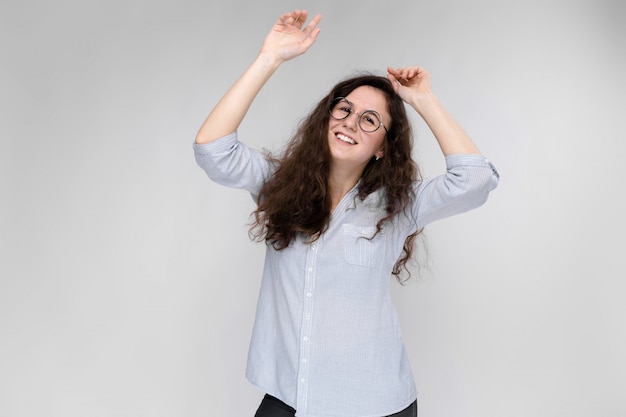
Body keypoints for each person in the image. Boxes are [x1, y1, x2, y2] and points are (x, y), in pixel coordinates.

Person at [194, 9, 499, 417]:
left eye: (370, 120)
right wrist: (269, 57)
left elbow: (475, 180)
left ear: (382, 147)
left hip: (372, 404)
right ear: (327, 118)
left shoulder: (400, 205)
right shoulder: (277, 186)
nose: (351, 122)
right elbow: (212, 149)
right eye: (345, 109)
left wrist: (423, 99)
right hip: (288, 397)